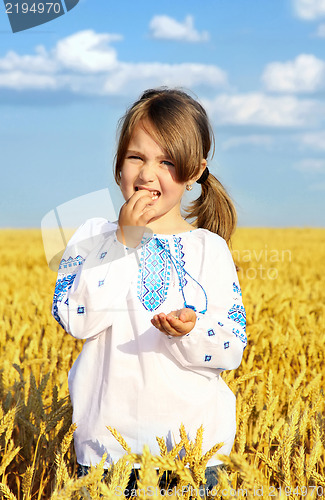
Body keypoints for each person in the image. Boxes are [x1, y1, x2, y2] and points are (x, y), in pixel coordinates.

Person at [52, 88, 247, 494]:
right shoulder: (92, 237)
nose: (146, 174)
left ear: (194, 173)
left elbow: (232, 348)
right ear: (118, 163)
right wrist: (123, 242)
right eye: (136, 157)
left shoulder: (209, 249)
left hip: (193, 455)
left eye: (167, 162)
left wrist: (192, 329)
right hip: (107, 456)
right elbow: (75, 319)